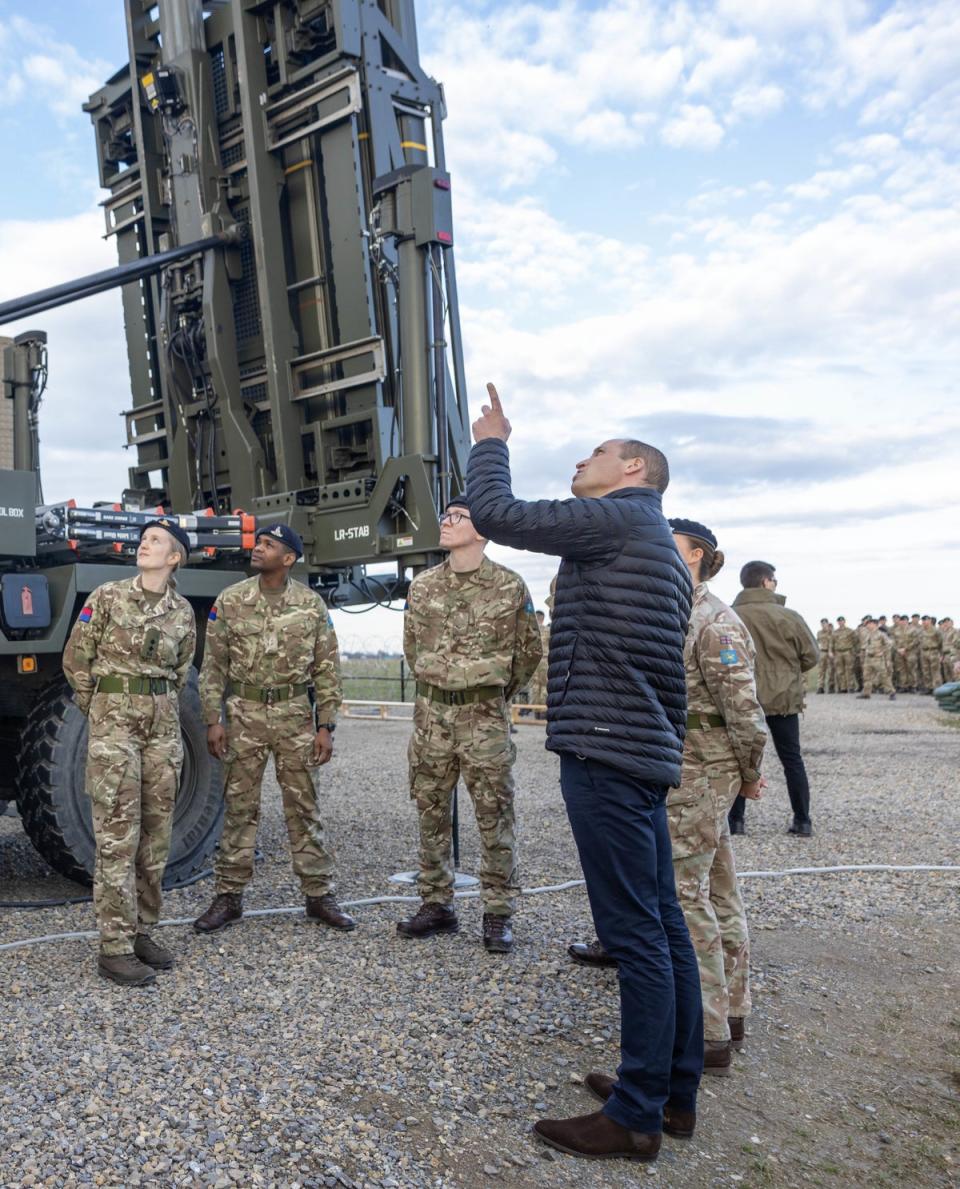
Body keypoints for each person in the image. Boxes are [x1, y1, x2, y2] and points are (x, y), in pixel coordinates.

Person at [467, 384, 702, 1164]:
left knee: (635, 931)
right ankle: (671, 1091)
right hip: (639, 749)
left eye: (596, 451)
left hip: (606, 750)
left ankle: (634, 1115)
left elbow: (497, 515)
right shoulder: (663, 545)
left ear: (632, 468)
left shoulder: (617, 520)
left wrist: (493, 440)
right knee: (662, 922)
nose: (581, 459)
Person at [396, 496, 541, 953]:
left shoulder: (509, 586)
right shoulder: (423, 587)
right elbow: (412, 649)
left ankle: (497, 912)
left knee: (493, 814)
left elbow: (528, 653)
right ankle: (436, 903)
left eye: (457, 517)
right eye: (444, 515)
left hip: (484, 719)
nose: (446, 521)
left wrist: (486, 690)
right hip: (432, 716)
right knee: (430, 809)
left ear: (482, 530)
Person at [194, 523, 355, 934]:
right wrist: (213, 719)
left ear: (288, 558)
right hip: (244, 713)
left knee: (304, 808)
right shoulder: (231, 601)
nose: (258, 548)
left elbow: (326, 669)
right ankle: (228, 897)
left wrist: (327, 725)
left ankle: (319, 896)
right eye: (258, 542)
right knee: (239, 808)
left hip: (295, 715)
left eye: (269, 545)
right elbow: (212, 665)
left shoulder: (311, 605)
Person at [63, 518, 196, 986]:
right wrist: (102, 708)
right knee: (118, 837)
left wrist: (154, 706)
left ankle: (142, 930)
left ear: (174, 557)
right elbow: (76, 659)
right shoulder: (107, 597)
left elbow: (181, 671)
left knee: (156, 836)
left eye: (156, 540)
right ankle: (114, 947)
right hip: (115, 728)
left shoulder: (182, 611)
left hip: (162, 730)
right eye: (144, 539)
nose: (145, 544)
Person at [729, 562, 818, 837]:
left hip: (741, 698)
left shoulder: (729, 615)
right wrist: (786, 672)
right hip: (782, 698)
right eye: (774, 580)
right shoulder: (788, 617)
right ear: (766, 582)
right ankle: (802, 820)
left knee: (739, 759)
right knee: (791, 758)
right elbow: (811, 655)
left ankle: (736, 822)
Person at [857, 618, 896, 700]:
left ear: (874, 624)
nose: (867, 625)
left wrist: (882, 651)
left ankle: (891, 692)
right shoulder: (867, 634)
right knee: (866, 676)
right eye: (867, 624)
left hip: (877, 658)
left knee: (883, 676)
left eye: (869, 623)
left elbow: (889, 644)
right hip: (868, 658)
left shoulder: (881, 634)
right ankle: (866, 693)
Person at [832, 616, 859, 693]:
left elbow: (855, 641)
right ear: (838, 622)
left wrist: (853, 650)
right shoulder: (835, 632)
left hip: (848, 652)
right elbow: (832, 642)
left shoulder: (850, 631)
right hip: (838, 653)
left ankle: (851, 687)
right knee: (840, 671)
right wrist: (831, 651)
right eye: (839, 621)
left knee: (849, 670)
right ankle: (843, 687)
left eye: (842, 621)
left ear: (844, 621)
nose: (840, 622)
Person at [918, 616, 943, 694]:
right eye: (923, 621)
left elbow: (941, 642)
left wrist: (941, 654)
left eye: (925, 621)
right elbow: (919, 641)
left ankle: (937, 689)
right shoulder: (921, 631)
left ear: (930, 621)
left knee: (935, 671)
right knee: (926, 671)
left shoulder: (936, 630)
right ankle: (928, 688)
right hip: (924, 652)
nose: (924, 622)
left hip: (933, 652)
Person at [815, 619, 834, 694]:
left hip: (829, 653)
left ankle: (831, 686)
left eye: (825, 623)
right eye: (822, 623)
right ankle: (820, 687)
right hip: (822, 652)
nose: (823, 625)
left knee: (830, 670)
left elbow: (833, 642)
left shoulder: (831, 632)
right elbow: (817, 642)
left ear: (827, 624)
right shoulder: (819, 633)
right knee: (821, 671)